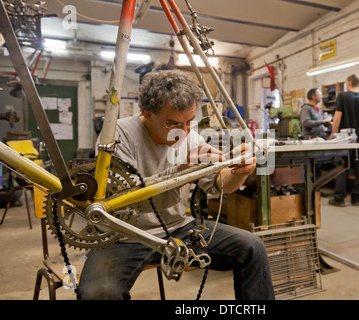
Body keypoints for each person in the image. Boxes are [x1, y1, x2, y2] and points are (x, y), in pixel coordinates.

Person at [79, 69, 275, 300]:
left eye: (189, 122)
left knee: (252, 247)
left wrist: (239, 172)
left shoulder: (189, 135)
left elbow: (218, 184)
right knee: (98, 294)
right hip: (124, 236)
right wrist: (181, 169)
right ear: (147, 114)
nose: (183, 131)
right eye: (173, 123)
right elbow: (123, 197)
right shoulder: (118, 133)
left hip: (177, 228)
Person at [329, 74, 359, 207]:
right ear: (358, 83)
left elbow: (337, 118)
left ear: (348, 83)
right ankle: (356, 198)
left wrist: (334, 134)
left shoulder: (342, 96)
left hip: (344, 138)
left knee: (342, 167)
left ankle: (339, 198)